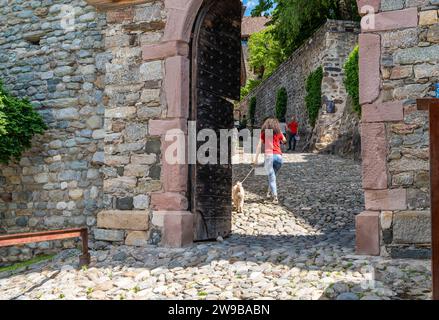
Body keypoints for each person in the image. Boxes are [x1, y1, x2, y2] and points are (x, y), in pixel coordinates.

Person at [253, 117, 287, 204]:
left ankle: (275, 197)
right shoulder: (278, 132)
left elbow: (259, 146)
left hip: (269, 157)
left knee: (271, 178)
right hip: (279, 157)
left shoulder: (264, 133)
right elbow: (284, 140)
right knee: (272, 177)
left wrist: (255, 159)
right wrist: (279, 141)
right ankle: (268, 193)